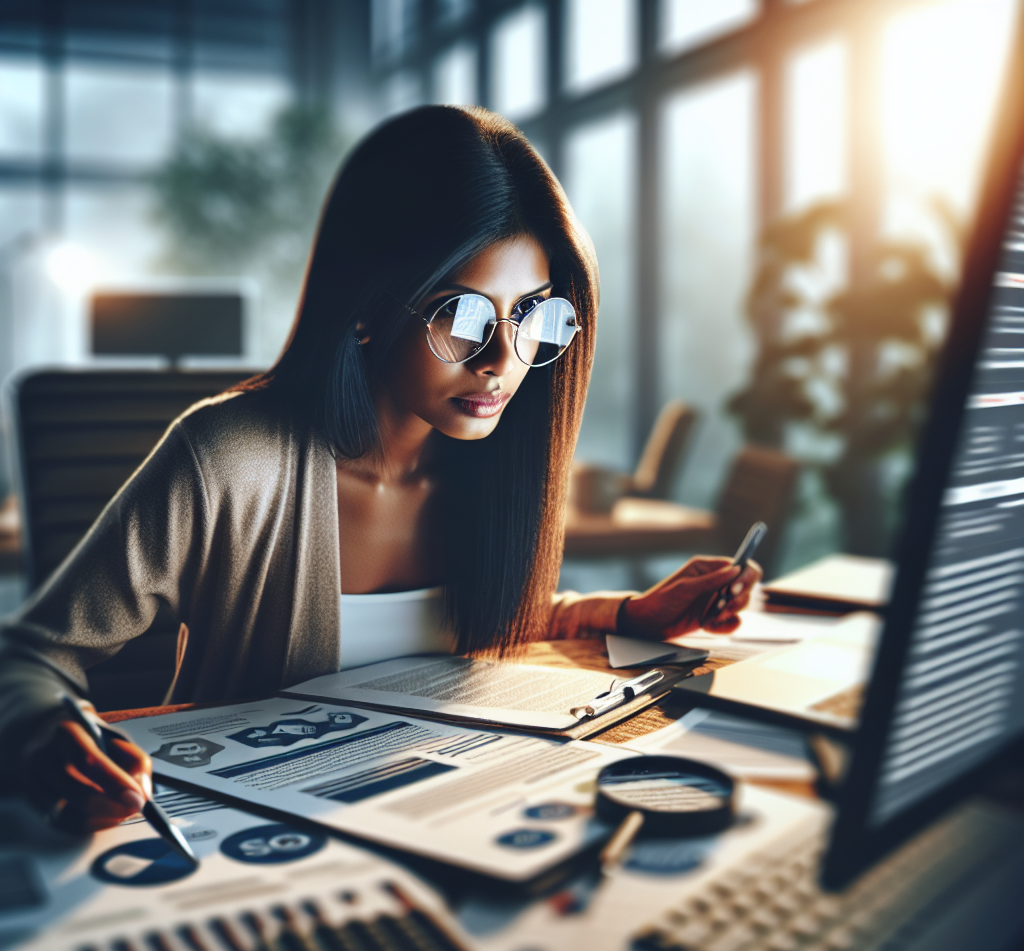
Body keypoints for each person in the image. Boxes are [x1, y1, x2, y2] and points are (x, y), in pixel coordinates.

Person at [0, 106, 759, 833]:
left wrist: (629, 615)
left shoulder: (490, 462)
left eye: (533, 315)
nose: (503, 363)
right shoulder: (231, 457)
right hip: (250, 838)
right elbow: (30, 656)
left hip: (446, 818)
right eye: (463, 316)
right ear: (366, 306)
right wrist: (46, 740)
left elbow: (480, 621)